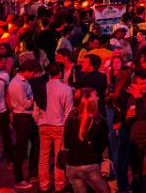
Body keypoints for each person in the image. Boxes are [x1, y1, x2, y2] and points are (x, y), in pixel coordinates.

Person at [63, 88, 110, 193]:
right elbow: (103, 145)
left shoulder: (71, 120)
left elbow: (66, 143)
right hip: (91, 164)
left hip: (72, 166)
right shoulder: (99, 122)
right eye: (96, 96)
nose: (98, 98)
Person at [36, 61, 74, 193]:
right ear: (60, 73)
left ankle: (44, 185)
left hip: (43, 125)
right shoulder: (66, 89)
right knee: (59, 157)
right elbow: (68, 112)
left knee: (44, 157)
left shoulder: (42, 87)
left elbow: (36, 110)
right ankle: (59, 185)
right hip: (59, 126)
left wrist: (39, 121)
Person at [8, 59, 38, 188]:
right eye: (33, 72)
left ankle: (32, 173)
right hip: (22, 117)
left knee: (36, 143)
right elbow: (24, 104)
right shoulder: (17, 84)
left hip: (27, 117)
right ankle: (19, 179)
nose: (34, 75)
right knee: (21, 149)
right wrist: (33, 100)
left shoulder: (23, 82)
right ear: (27, 71)